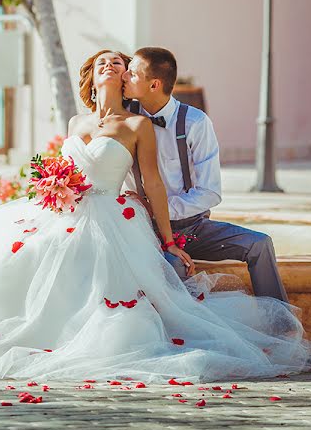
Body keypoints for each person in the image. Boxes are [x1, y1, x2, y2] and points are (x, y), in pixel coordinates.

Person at [0, 50, 311, 382]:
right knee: (15, 257)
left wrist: (169, 243)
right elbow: (63, 167)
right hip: (58, 211)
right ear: (92, 75)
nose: (110, 65)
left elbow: (151, 186)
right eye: (103, 61)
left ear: (129, 79)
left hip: (113, 218)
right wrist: (53, 186)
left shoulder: (137, 126)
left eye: (117, 62)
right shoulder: (77, 121)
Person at [121, 47, 288, 302]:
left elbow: (210, 192)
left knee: (259, 244)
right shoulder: (124, 118)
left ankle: (281, 323)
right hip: (140, 228)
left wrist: (160, 209)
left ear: (154, 84)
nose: (124, 77)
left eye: (132, 73)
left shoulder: (195, 123)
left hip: (192, 227)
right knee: (172, 267)